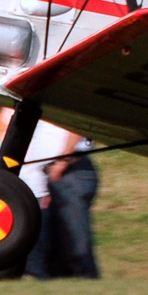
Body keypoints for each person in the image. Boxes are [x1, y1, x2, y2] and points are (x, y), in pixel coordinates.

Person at [18, 118, 99, 279]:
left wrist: (62, 162)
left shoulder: (69, 96)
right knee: (60, 242)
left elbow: (77, 122)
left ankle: (87, 282)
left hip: (70, 171)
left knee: (75, 243)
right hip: (58, 175)